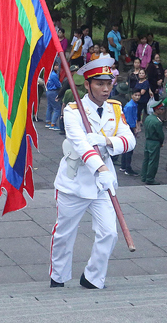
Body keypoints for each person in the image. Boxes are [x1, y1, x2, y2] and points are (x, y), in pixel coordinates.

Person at [49, 57, 136, 290]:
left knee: (109, 233)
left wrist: (107, 140)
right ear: (87, 85)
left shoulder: (115, 109)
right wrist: (102, 168)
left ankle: (92, 277)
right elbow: (81, 144)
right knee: (64, 235)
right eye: (99, 83)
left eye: (109, 83)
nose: (106, 89)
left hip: (102, 185)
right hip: (75, 182)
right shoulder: (73, 110)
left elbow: (130, 140)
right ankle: (58, 277)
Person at [141, 99, 165, 185]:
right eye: (162, 109)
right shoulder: (157, 122)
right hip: (154, 142)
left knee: (146, 159)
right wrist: (161, 142)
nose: (163, 110)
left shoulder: (148, 118)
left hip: (148, 141)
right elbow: (160, 134)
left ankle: (143, 176)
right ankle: (150, 178)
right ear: (157, 110)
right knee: (153, 161)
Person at [121, 90, 140, 176]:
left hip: (129, 127)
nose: (137, 97)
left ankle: (123, 166)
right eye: (135, 95)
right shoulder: (130, 106)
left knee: (126, 148)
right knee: (129, 149)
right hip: (129, 128)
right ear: (131, 95)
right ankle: (127, 168)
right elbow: (129, 120)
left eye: (138, 95)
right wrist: (135, 129)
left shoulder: (133, 105)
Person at [46, 62, 62, 130]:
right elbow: (58, 85)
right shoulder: (54, 75)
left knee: (49, 107)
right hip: (53, 91)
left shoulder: (48, 74)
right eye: (56, 66)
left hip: (48, 91)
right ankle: (53, 123)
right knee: (57, 108)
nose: (57, 67)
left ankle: (48, 121)